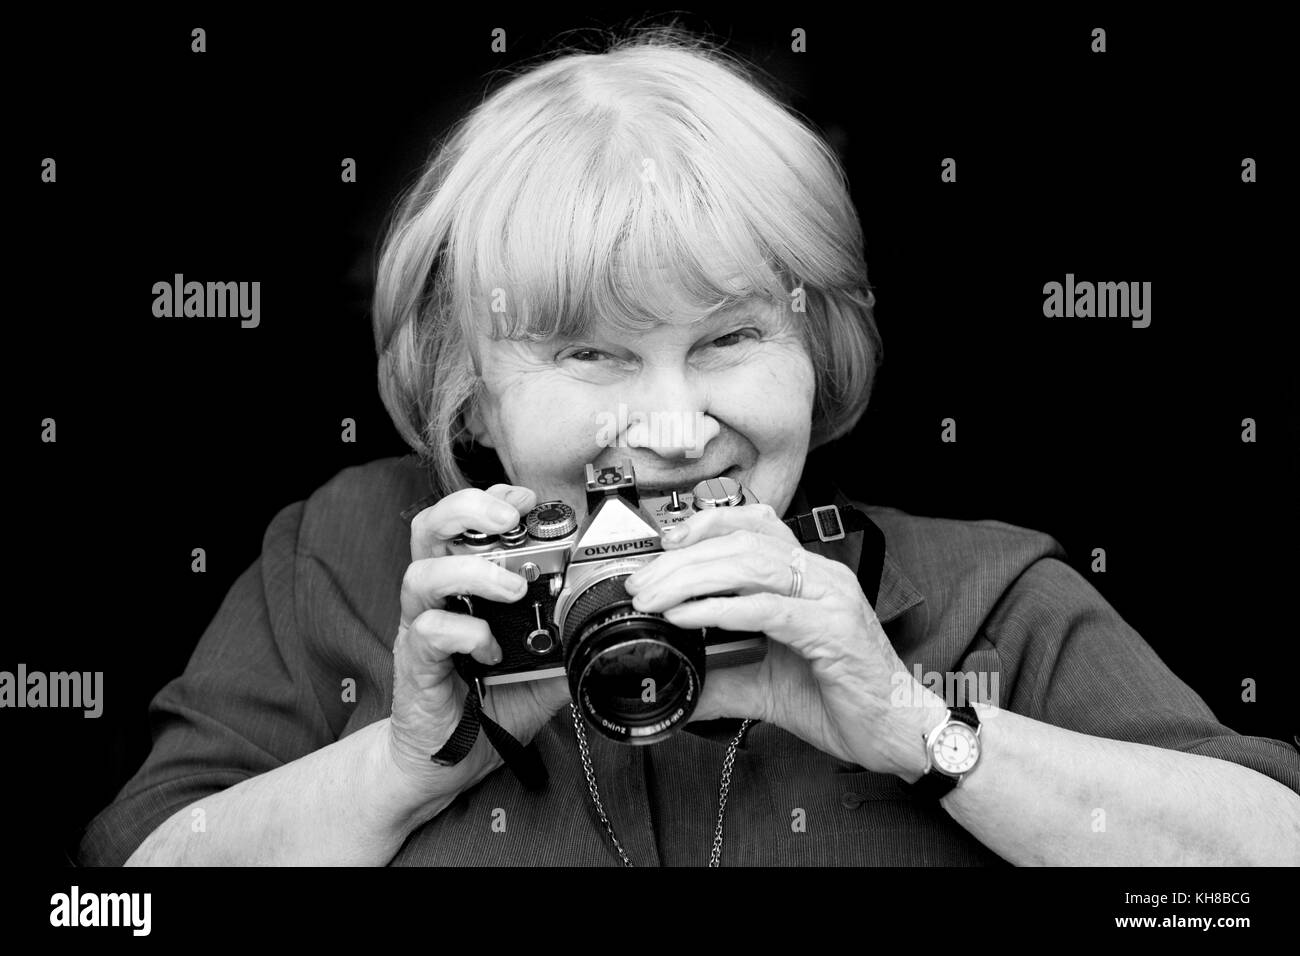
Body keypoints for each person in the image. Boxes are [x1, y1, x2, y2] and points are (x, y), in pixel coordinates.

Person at [78, 30, 1300, 867]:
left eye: (727, 339)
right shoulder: (343, 561)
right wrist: (399, 766)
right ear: (469, 385)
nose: (672, 426)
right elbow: (115, 901)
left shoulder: (979, 595)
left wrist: (918, 727)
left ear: (819, 351)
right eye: (591, 354)